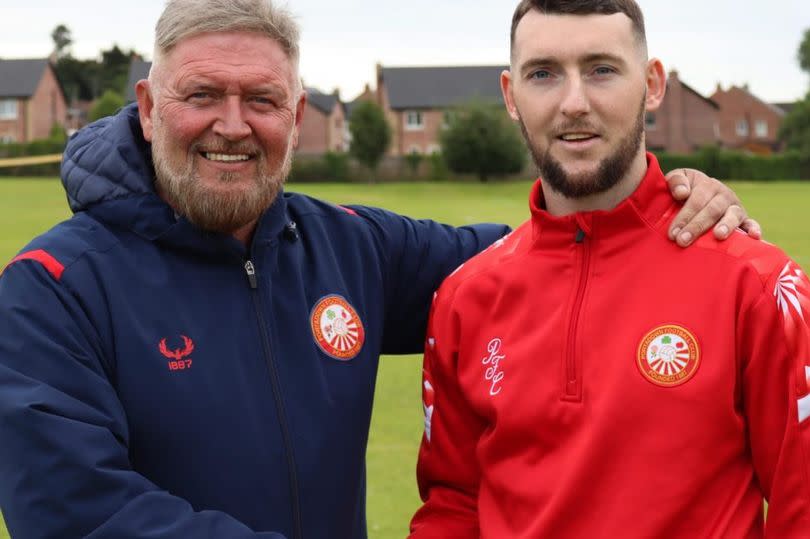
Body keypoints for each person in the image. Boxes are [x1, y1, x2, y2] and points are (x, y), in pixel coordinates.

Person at [0, 0, 758, 538]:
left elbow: (547, 257)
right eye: (202, 95)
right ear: (148, 107)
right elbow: (79, 511)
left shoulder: (348, 247)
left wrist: (663, 203)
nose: (233, 125)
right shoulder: (50, 289)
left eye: (262, 100)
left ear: (297, 118)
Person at [409, 1, 810, 538]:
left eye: (601, 69)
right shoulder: (464, 296)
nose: (574, 103)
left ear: (652, 84)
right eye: (543, 74)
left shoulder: (757, 286)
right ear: (511, 95)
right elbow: (453, 508)